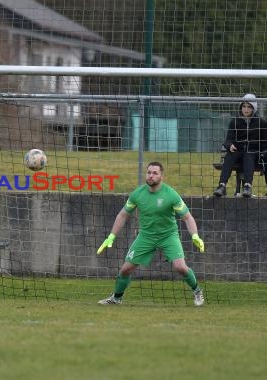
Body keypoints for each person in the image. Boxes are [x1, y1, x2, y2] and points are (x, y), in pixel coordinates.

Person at [97, 162, 206, 307]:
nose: (151, 175)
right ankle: (116, 298)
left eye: (155, 173)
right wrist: (111, 236)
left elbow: (187, 217)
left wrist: (195, 236)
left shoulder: (171, 194)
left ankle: (197, 292)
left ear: (161, 176)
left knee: (180, 266)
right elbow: (123, 215)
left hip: (168, 235)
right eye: (149, 172)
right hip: (146, 236)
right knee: (125, 269)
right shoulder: (137, 194)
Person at [213, 93, 267, 198]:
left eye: (249, 107)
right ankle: (221, 186)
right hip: (238, 150)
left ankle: (247, 187)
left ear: (253, 108)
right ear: (240, 108)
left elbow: (265, 143)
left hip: (254, 153)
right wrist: (230, 146)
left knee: (249, 155)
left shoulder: (262, 123)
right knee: (230, 156)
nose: (246, 109)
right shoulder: (234, 122)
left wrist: (262, 153)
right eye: (244, 106)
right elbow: (228, 140)